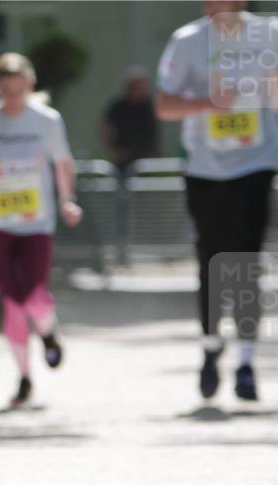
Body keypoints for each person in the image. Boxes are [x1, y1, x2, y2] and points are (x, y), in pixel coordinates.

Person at [156, 1, 278, 402]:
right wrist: (209, 103)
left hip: (256, 162)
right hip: (205, 168)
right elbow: (164, 105)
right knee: (211, 260)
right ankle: (210, 346)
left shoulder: (270, 34)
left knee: (246, 261)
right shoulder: (186, 40)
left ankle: (246, 361)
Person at [0, 53, 83, 406]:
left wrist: (67, 200)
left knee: (32, 295)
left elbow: (62, 163)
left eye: (19, 90)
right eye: (6, 91)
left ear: (30, 84)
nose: (13, 98)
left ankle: (47, 328)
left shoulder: (47, 120)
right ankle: (24, 377)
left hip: (36, 223)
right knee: (12, 300)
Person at [101, 66, 159, 172]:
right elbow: (105, 127)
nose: (145, 88)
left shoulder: (150, 106)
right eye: (141, 85)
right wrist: (112, 149)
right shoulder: (118, 106)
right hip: (123, 159)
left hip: (146, 160)